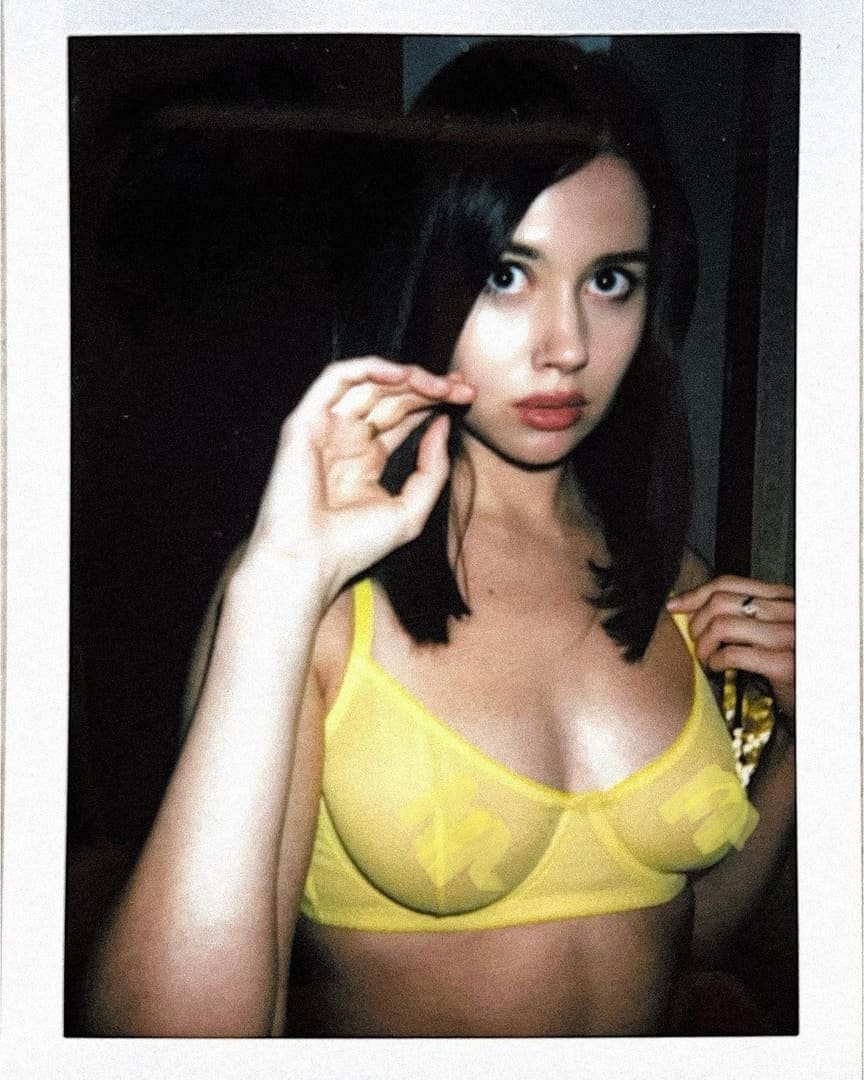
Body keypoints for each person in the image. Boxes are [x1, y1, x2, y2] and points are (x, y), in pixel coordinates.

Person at [83, 39, 795, 1037]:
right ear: (424, 274)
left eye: (610, 282)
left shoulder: (673, 583)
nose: (567, 348)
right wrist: (276, 587)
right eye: (507, 274)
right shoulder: (322, 598)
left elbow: (680, 936)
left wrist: (809, 740)